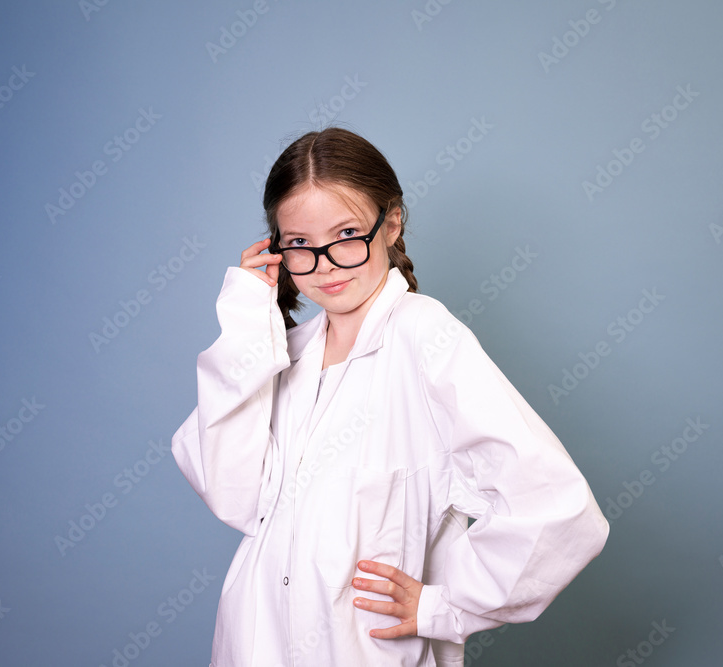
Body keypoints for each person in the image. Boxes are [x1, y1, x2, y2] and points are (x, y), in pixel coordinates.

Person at [171, 127, 609, 666]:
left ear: (392, 223)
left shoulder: (425, 337)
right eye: (301, 243)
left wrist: (444, 606)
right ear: (277, 248)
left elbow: (558, 508)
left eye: (348, 232)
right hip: (252, 646)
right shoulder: (285, 353)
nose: (326, 262)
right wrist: (245, 326)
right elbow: (232, 495)